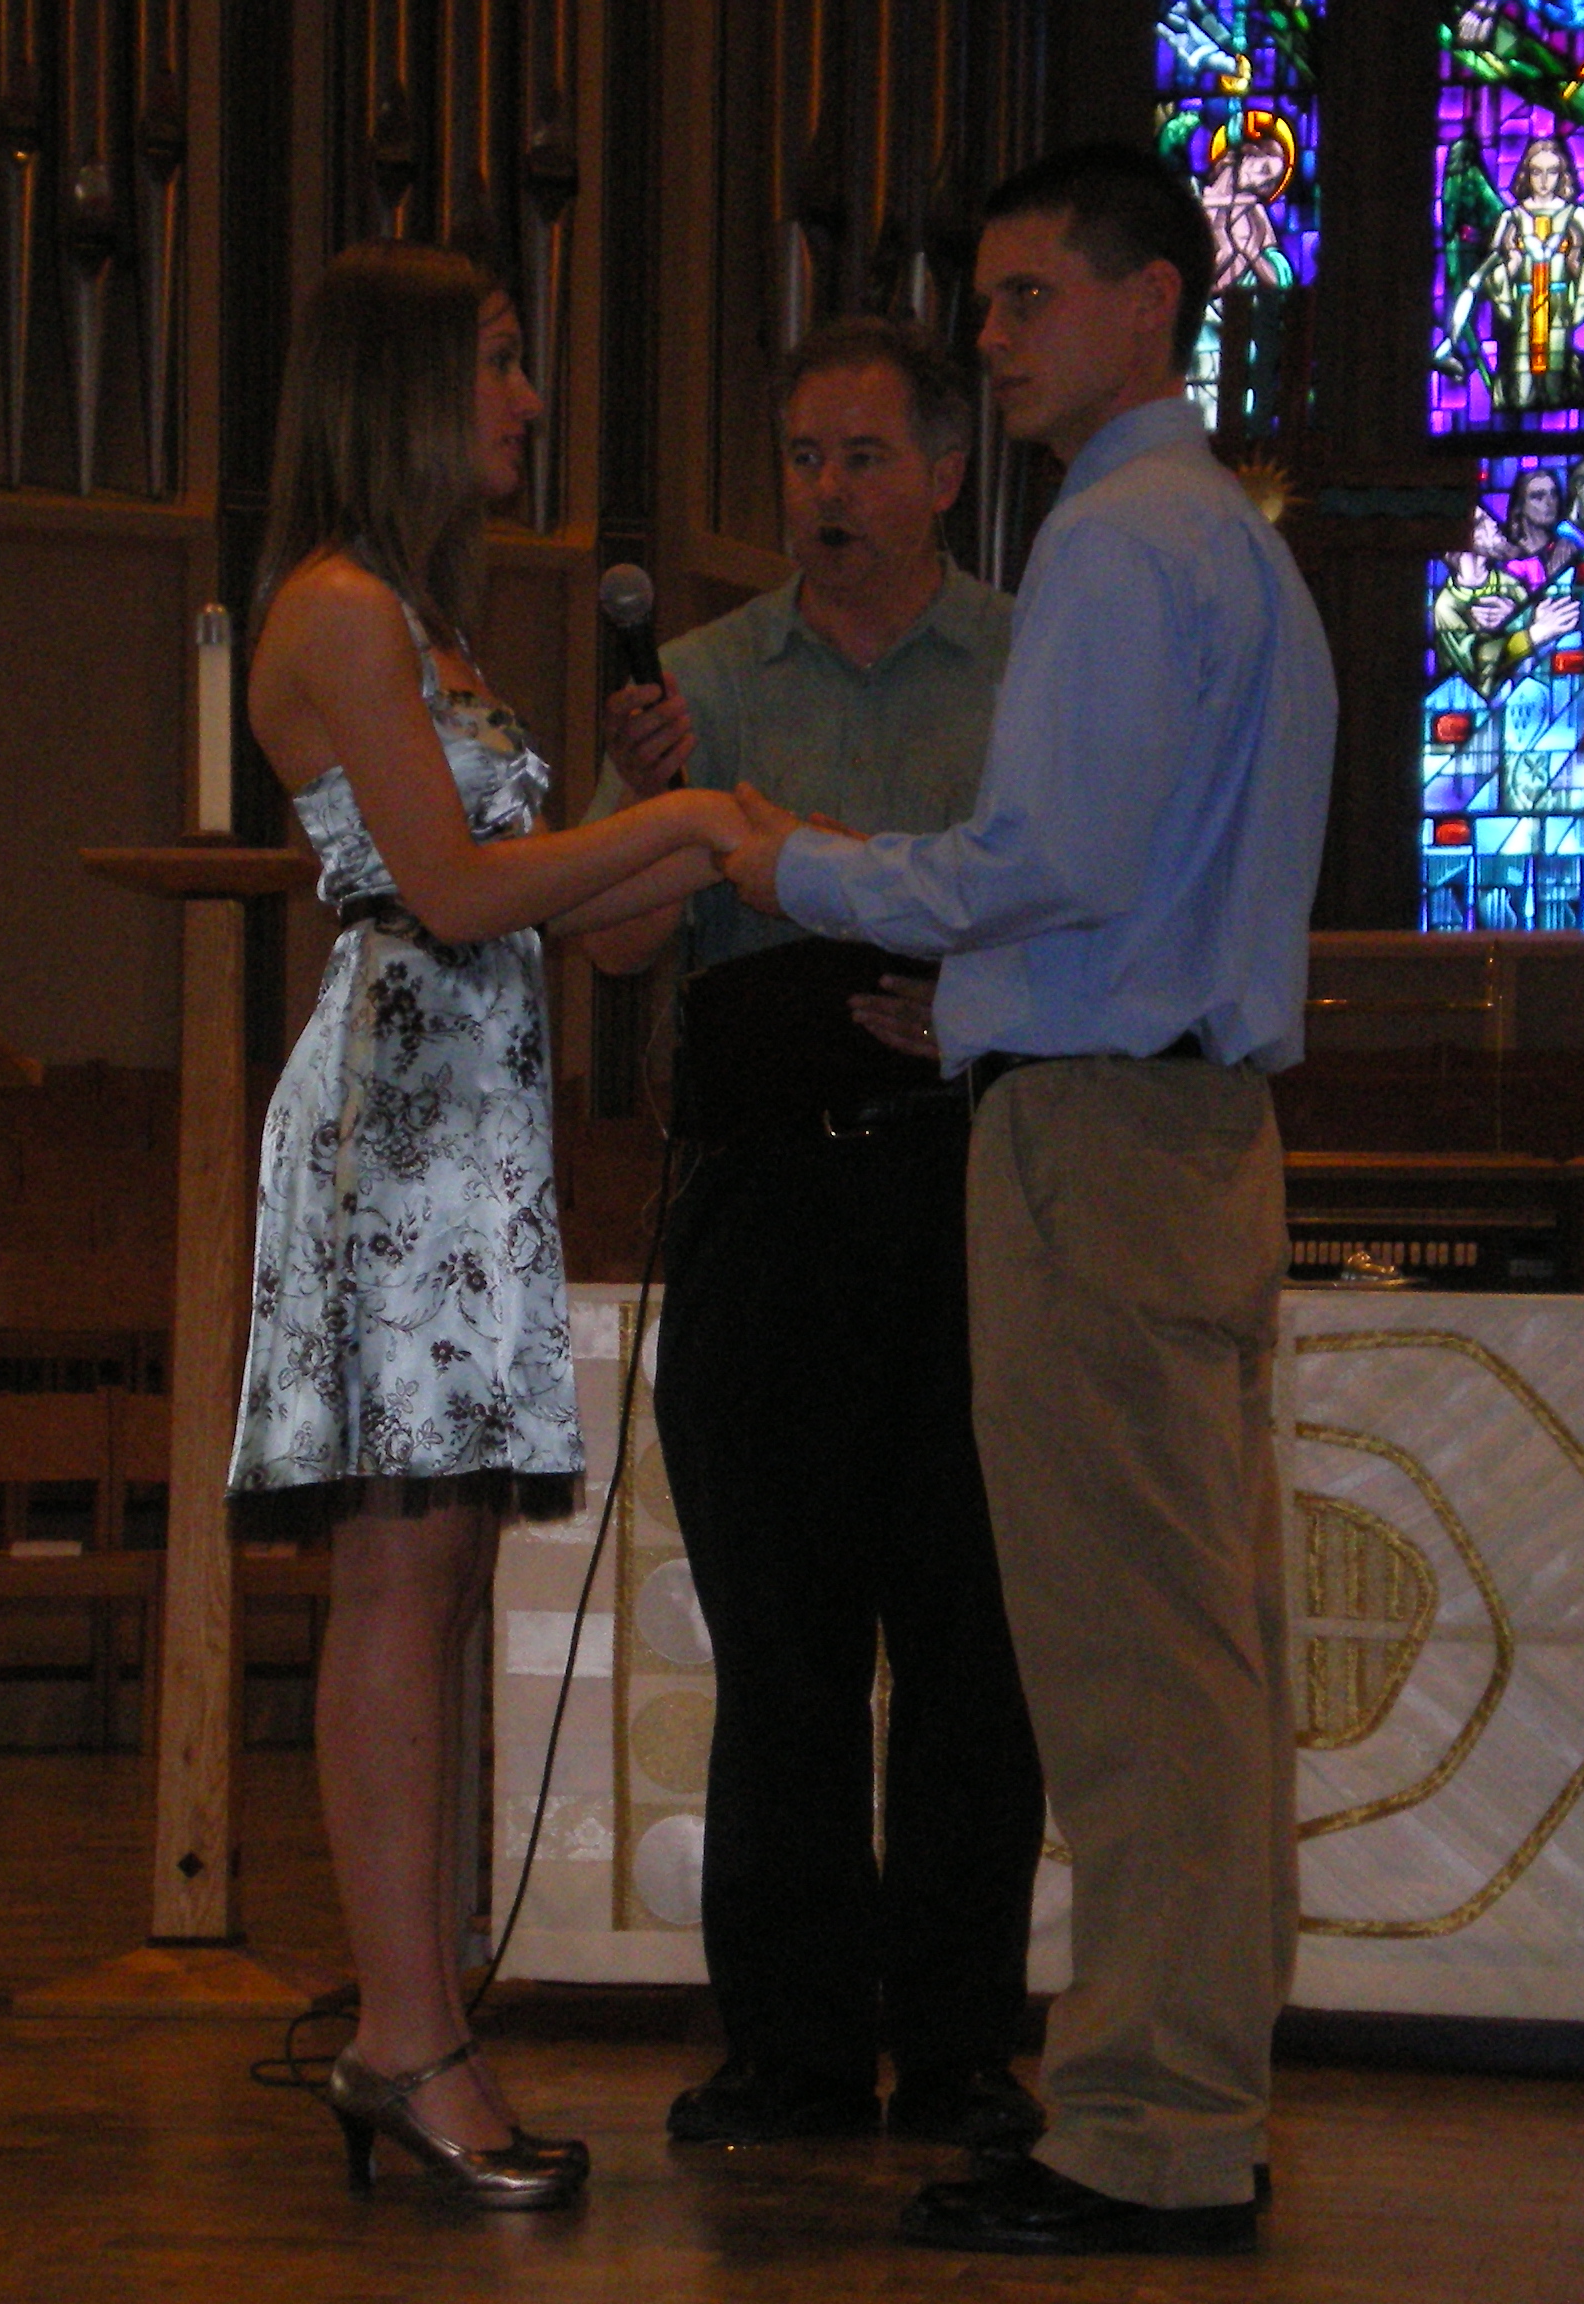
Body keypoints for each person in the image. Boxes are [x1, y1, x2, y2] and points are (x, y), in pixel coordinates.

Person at [725, 140, 1334, 2257]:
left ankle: (1152, 2130)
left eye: (1024, 298)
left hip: (1098, 1143)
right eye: (981, 304)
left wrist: (788, 858)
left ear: (1150, 299)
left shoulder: (1116, 538)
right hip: (1184, 1119)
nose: (988, 339)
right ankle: (1189, 2094)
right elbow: (1138, 879)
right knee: (1204, 1656)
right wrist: (984, 997)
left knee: (1138, 1670)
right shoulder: (1231, 539)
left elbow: (1047, 859)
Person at [227, 238, 747, 2212]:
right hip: (393, 1127)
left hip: (476, 1130)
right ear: (405, 385)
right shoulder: (339, 611)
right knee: (396, 1579)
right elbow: (444, 895)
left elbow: (589, 938)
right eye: (503, 361)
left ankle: (418, 2023)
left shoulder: (434, 629)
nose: (530, 400)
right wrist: (674, 828)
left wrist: (635, 814)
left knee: (441, 1579)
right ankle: (406, 2037)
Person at [583, 316, 1045, 2153]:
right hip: (769, 1211)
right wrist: (646, 802)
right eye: (800, 457)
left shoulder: (1027, 667)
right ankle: (787, 2046)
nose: (826, 491)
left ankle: (958, 2044)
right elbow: (614, 945)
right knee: (781, 1648)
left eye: (862, 457)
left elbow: (1085, 895)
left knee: (967, 1639)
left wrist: (983, 999)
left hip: (968, 1196)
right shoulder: (696, 686)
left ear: (943, 474)